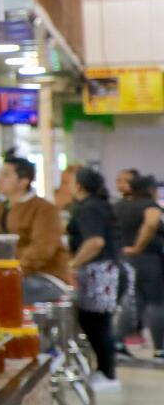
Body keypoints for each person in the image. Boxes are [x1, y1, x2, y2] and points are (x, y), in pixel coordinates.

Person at [0, 156, 71, 299]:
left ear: (23, 182)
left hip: (42, 277)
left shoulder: (44, 209)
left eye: (6, 175)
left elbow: (42, 249)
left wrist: (10, 271)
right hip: (5, 276)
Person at [69, 166, 121, 390]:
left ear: (79, 185)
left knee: (97, 323)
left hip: (97, 271)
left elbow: (95, 241)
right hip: (102, 269)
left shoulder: (88, 208)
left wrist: (73, 263)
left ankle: (107, 374)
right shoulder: (95, 206)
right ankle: (104, 370)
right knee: (96, 322)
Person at [121, 173, 164, 354]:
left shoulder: (119, 206)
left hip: (123, 260)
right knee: (156, 303)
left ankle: (118, 343)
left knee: (130, 303)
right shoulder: (149, 206)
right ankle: (160, 348)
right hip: (146, 259)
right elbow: (151, 223)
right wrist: (138, 247)